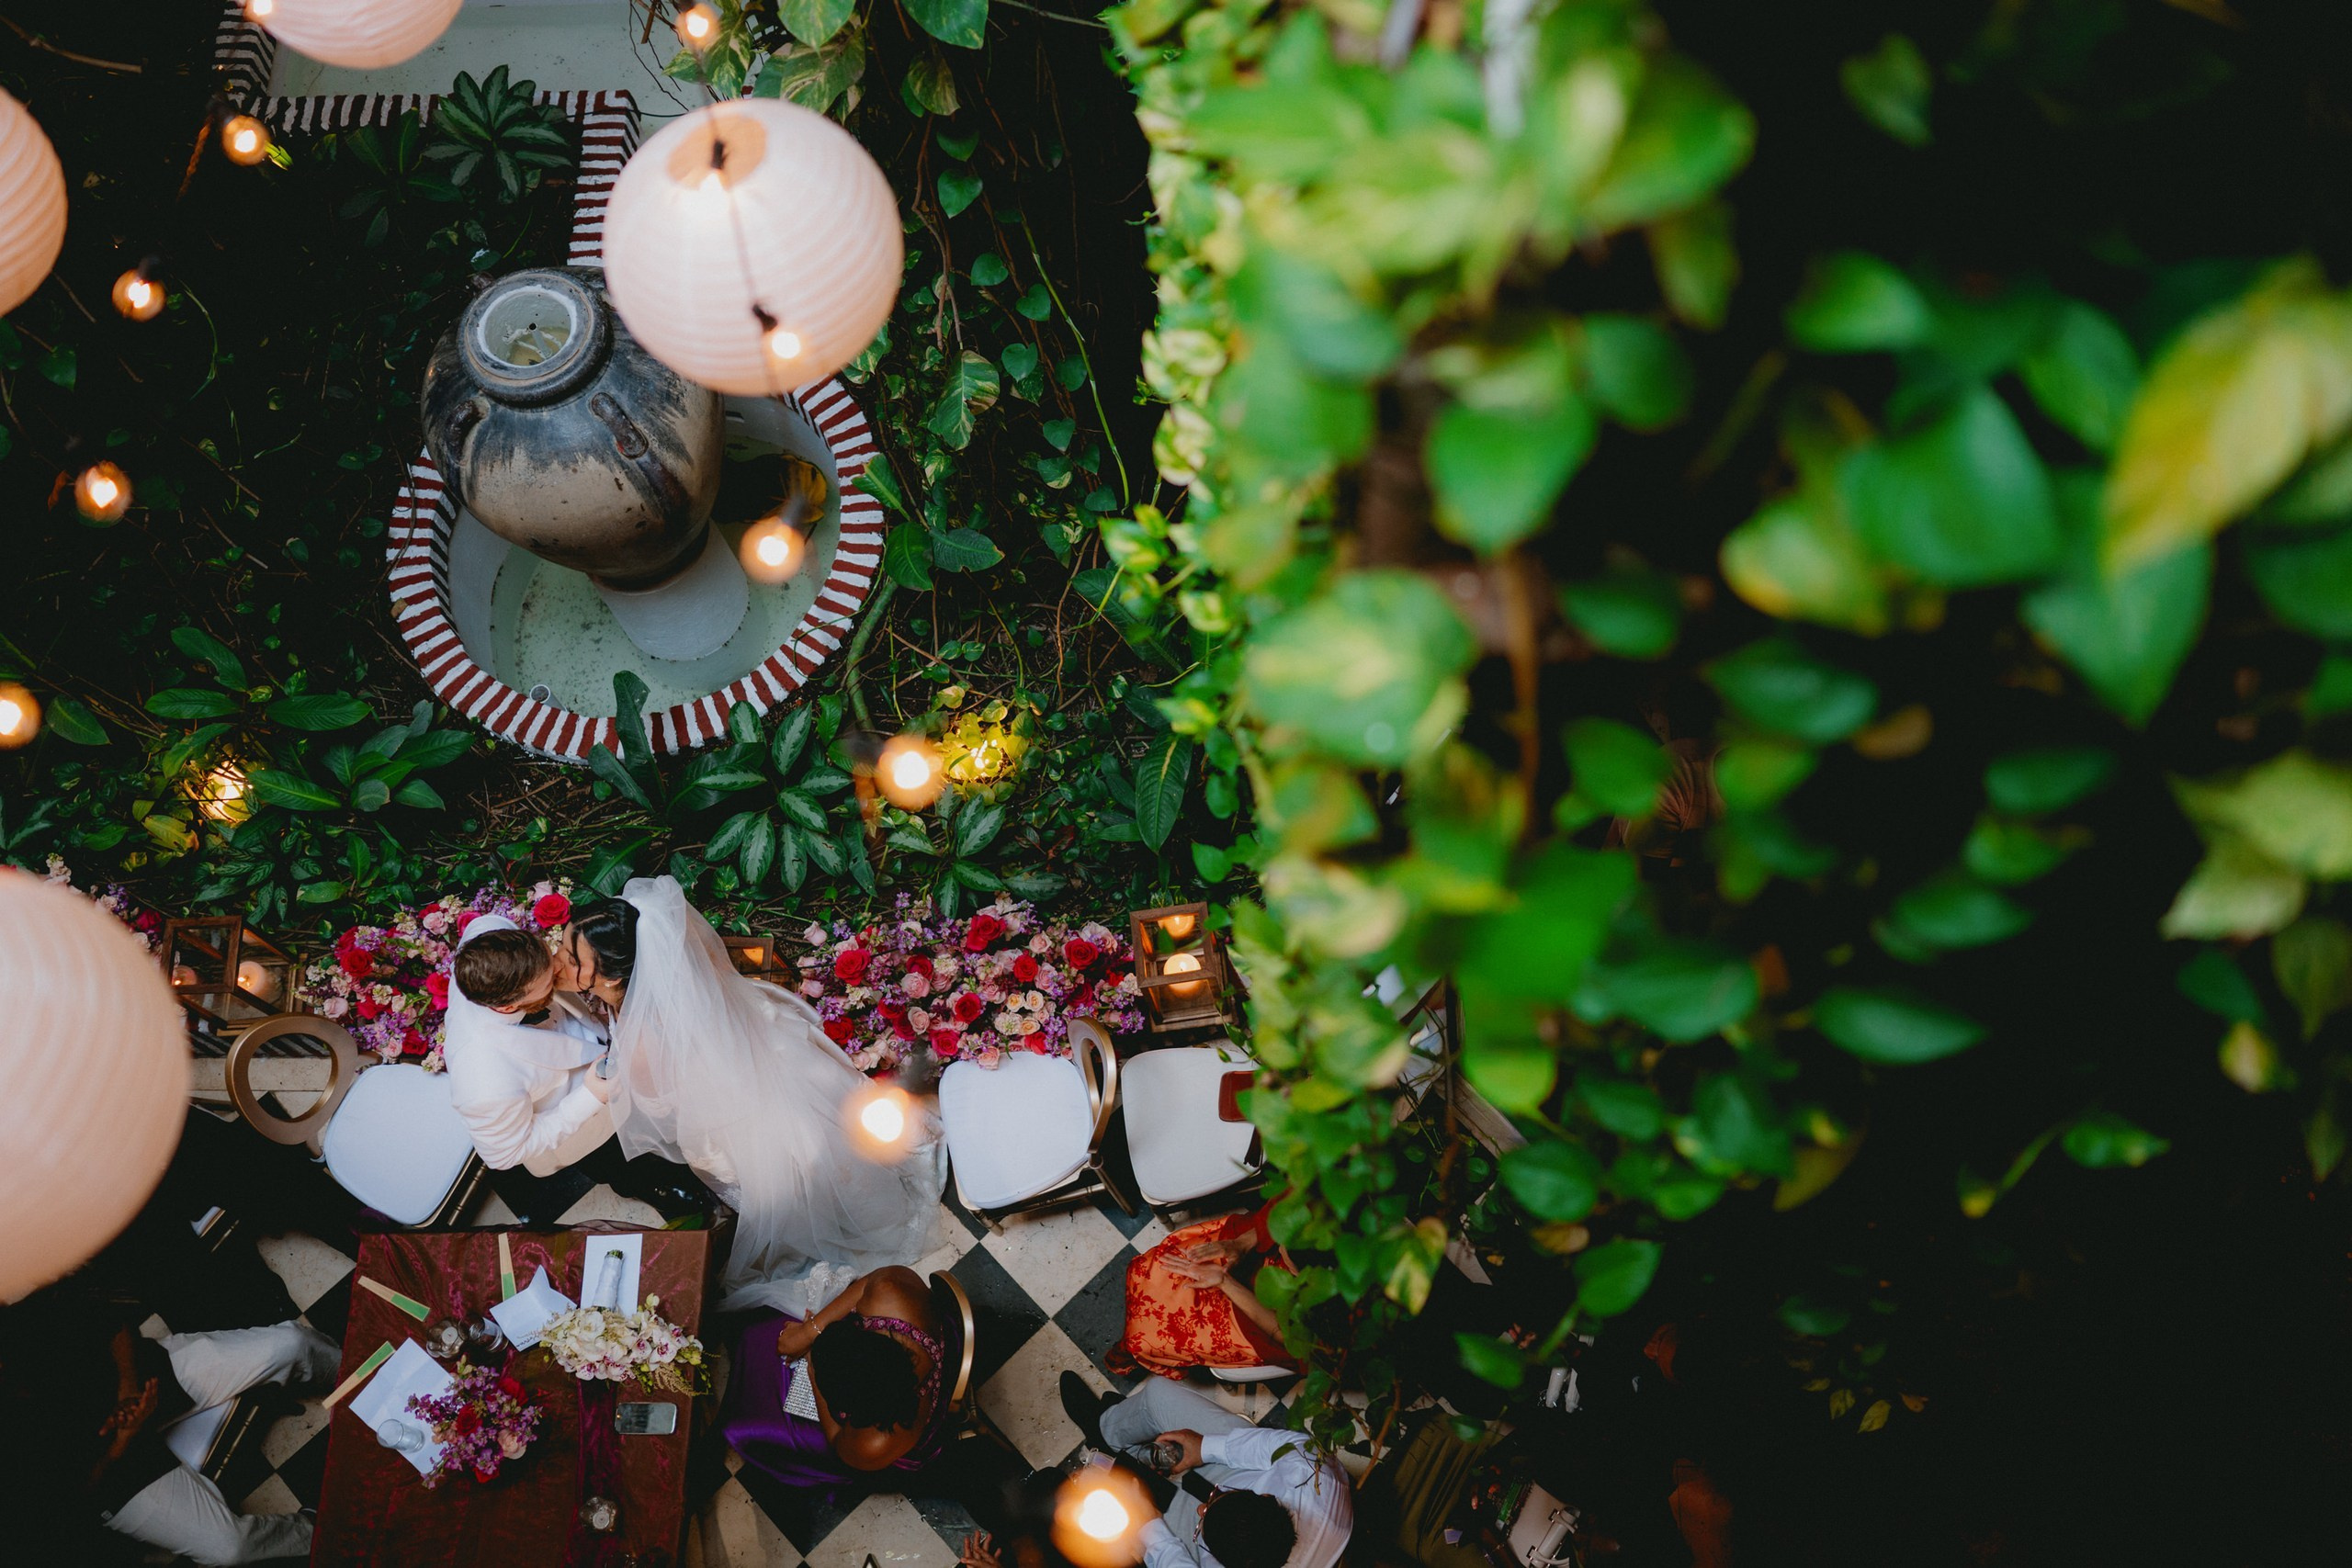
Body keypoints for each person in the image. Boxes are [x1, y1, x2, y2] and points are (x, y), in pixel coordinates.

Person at [583, 876, 945, 1310]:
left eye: (575, 958)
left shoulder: (642, 1041)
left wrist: (606, 1083)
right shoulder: (677, 970)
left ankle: (826, 1218)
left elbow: (659, 1113)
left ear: (611, 976)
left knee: (774, 1172)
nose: (565, 961)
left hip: (729, 1109)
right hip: (763, 1052)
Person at [11, 1303, 338, 1565]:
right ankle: (321, 1529)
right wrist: (124, 1440)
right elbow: (73, 1497)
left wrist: (129, 1388)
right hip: (118, 1472)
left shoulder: (19, 1322)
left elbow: (113, 1322)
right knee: (228, 1549)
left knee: (293, 1343)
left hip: (147, 1382)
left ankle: (364, 1376)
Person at [443, 914, 707, 1224]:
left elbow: (482, 922)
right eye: (547, 980)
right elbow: (505, 1154)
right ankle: (655, 1187)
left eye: (547, 955)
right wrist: (591, 1097)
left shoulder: (489, 936)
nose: (558, 967)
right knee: (616, 1163)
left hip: (592, 1047)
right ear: (507, 1007)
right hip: (578, 1125)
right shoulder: (483, 1082)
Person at [1060, 1372, 1352, 1568]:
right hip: (1242, 1467)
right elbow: (1269, 1446)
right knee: (1159, 1394)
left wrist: (1148, 1523)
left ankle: (1127, 1448)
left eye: (1203, 1520)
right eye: (1212, 1503)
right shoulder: (1314, 1478)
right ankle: (1107, 1430)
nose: (1202, 1509)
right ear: (1267, 1497)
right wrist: (1203, 1448)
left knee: (1129, 1518)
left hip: (1202, 1544)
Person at [720, 1264, 954, 1497]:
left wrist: (812, 1370)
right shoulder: (888, 1289)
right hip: (883, 1370)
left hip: (875, 1435)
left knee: (747, 1424)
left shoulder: (875, 1442)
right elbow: (869, 1281)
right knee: (766, 1328)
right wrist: (809, 1333)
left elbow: (837, 1440)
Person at [1114, 1200, 1295, 1380]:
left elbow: (1290, 1338)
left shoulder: (1317, 1317)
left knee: (1148, 1339)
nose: (1281, 1246)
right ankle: (1129, 1351)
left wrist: (1225, 1282)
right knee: (1152, 1269)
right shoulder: (1314, 1209)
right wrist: (1242, 1243)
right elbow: (1289, 1213)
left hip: (1268, 1316)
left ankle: (1130, 1353)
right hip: (1259, 1244)